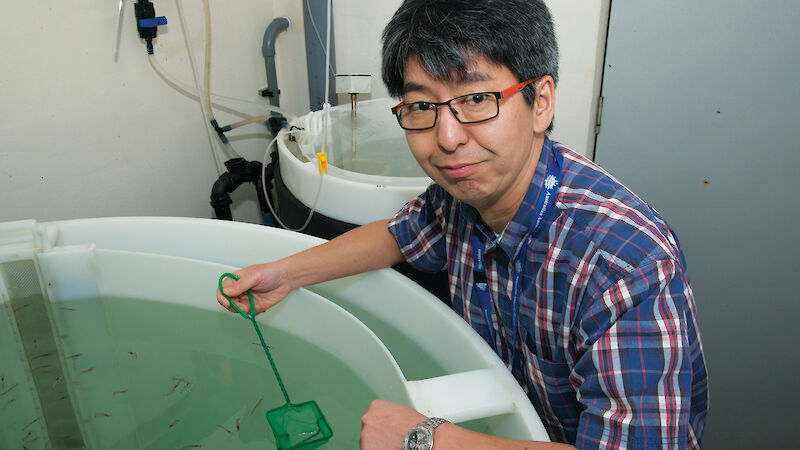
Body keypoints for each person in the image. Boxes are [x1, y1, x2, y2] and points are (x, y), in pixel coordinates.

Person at [217, 0, 708, 448]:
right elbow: (397, 236)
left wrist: (426, 438)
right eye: (422, 106)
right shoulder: (463, 196)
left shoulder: (627, 266)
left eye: (476, 99)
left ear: (540, 102)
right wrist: (285, 274)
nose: (447, 138)